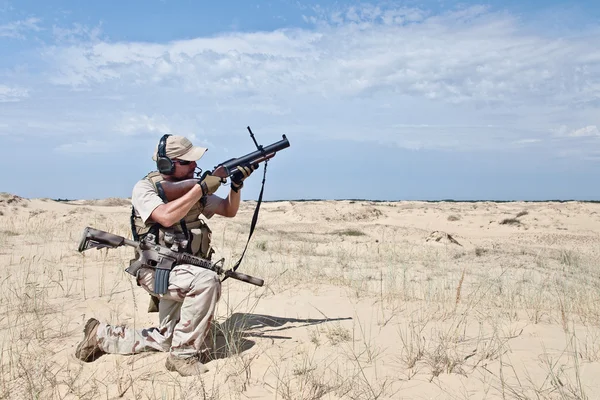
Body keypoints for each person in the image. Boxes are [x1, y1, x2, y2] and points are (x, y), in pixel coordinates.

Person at [74, 134, 255, 376]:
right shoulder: (145, 188)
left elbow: (228, 210)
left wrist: (235, 185)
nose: (194, 166)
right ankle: (182, 357)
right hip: (156, 270)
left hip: (185, 269)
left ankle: (100, 335)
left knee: (168, 339)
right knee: (207, 282)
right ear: (166, 165)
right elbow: (166, 216)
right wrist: (201, 187)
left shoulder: (192, 187)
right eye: (187, 162)